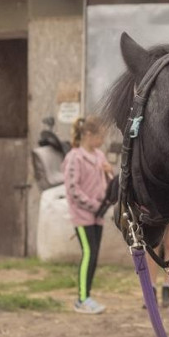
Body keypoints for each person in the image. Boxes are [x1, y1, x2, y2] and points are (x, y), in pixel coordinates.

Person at [62, 115, 114, 314]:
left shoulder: (100, 156)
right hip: (83, 216)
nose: (103, 141)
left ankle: (87, 296)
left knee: (94, 255)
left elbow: (107, 182)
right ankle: (82, 299)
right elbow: (73, 189)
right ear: (89, 135)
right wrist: (93, 205)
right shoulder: (74, 157)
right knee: (89, 254)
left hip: (98, 215)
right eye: (101, 136)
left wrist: (110, 172)